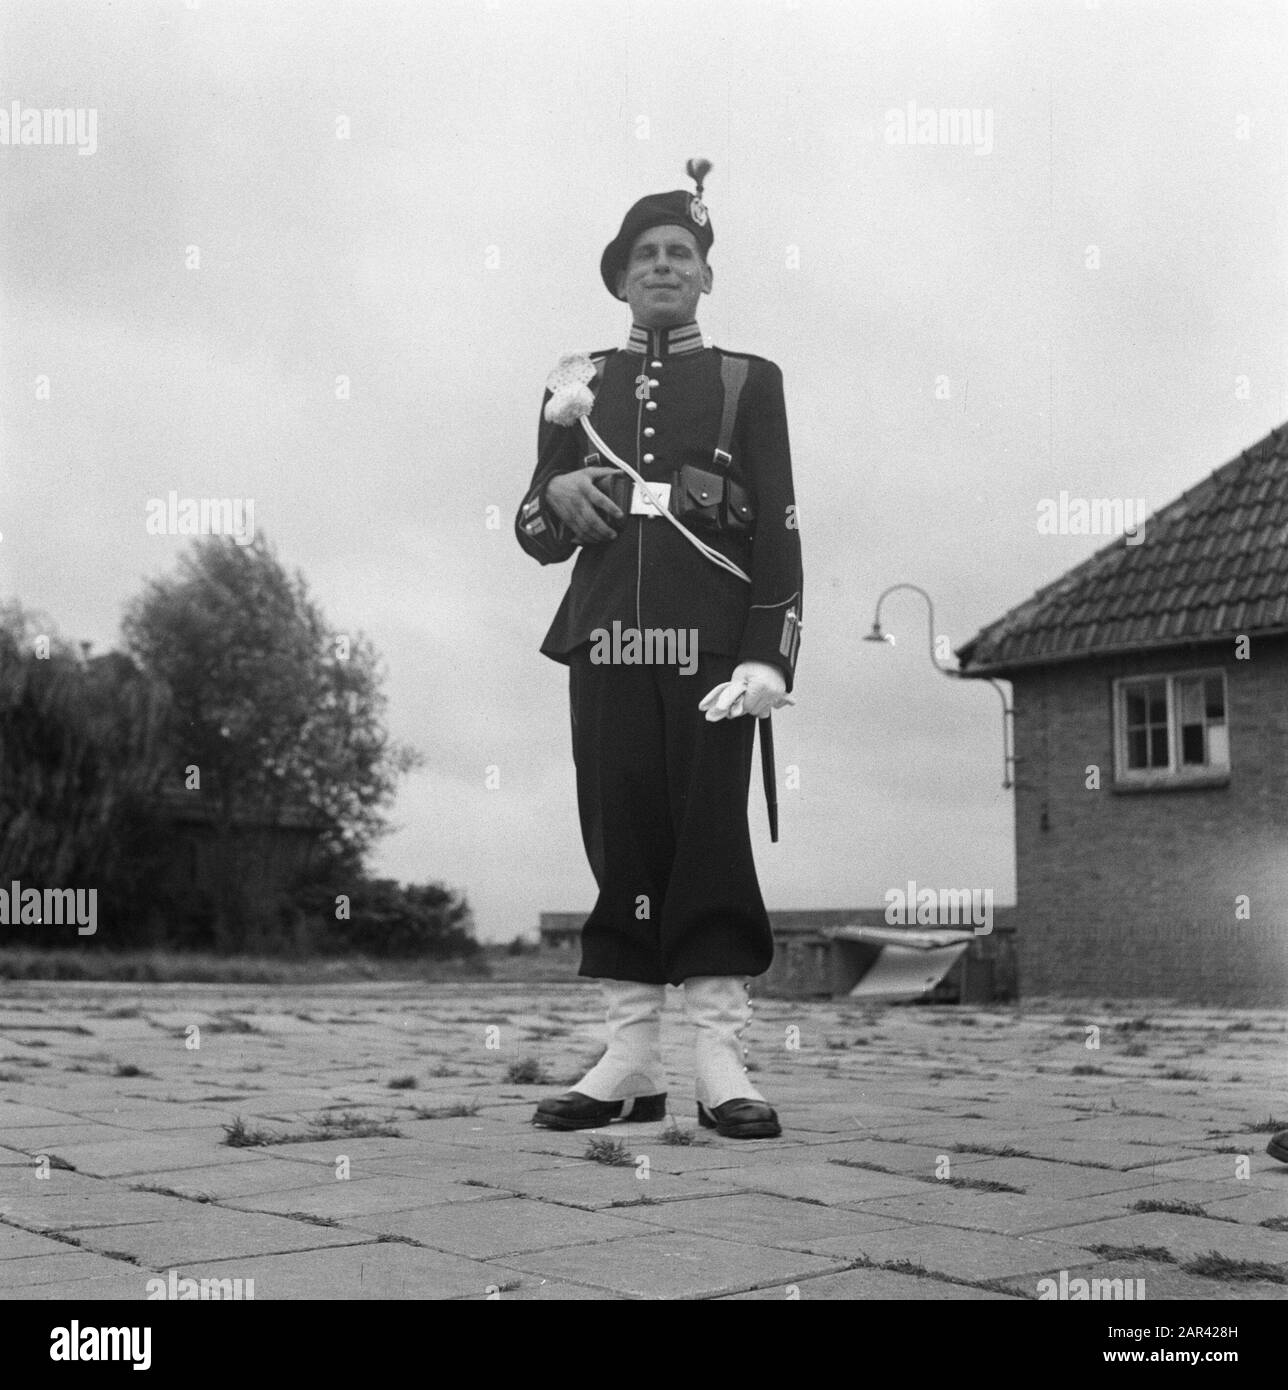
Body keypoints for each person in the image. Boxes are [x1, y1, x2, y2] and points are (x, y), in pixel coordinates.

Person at [515, 160, 802, 1139]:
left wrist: (769, 656)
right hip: (607, 638)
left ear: (706, 276)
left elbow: (781, 531)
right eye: (645, 255)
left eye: (681, 253)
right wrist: (552, 493)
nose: (664, 267)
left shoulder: (745, 381)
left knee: (710, 839)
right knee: (621, 835)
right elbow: (532, 528)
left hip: (710, 652)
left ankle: (720, 1059)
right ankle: (630, 1061)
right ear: (619, 277)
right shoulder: (573, 383)